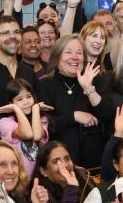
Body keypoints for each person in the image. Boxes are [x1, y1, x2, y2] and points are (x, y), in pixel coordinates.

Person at [37, 35, 108, 170]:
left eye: (79, 53)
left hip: (95, 165)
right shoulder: (44, 85)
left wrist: (89, 89)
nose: (74, 57)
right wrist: (74, 116)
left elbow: (107, 116)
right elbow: (46, 126)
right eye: (68, 52)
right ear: (57, 56)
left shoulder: (95, 81)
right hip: (59, 166)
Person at [0, 78, 50, 176]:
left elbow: (36, 136)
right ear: (10, 103)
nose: (26, 102)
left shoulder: (42, 119)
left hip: (41, 177)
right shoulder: (5, 122)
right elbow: (27, 134)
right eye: (19, 99)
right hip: (18, 178)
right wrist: (16, 108)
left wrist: (36, 108)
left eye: (29, 96)